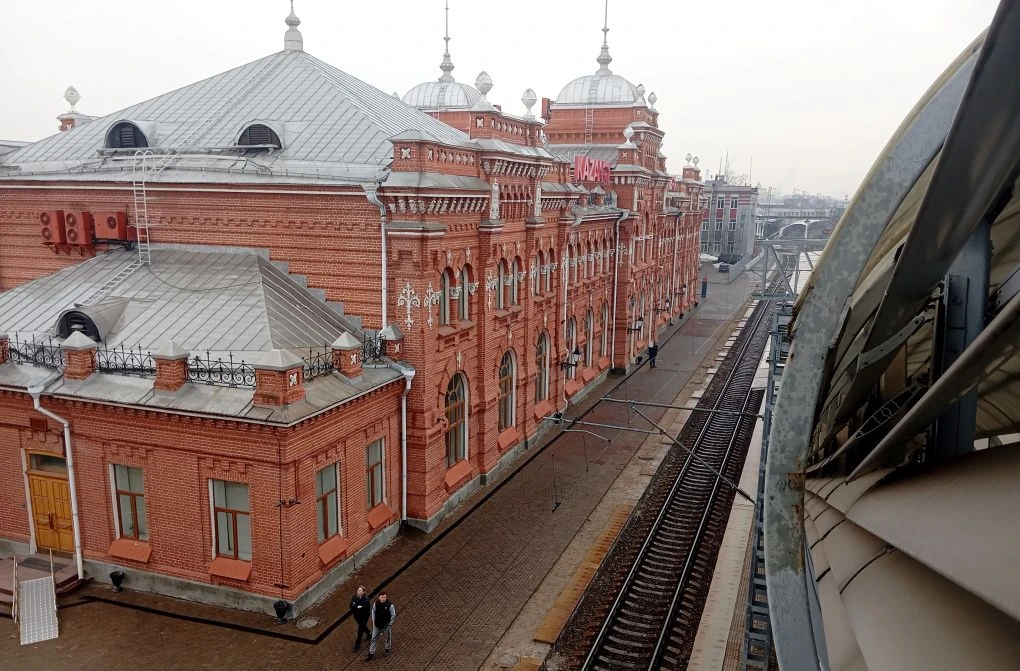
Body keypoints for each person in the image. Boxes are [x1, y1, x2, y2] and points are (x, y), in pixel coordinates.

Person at [366, 592, 396, 661]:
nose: (383, 598)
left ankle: (387, 648)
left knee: (388, 637)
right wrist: (373, 621)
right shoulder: (375, 604)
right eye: (382, 597)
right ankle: (371, 653)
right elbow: (373, 612)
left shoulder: (390, 605)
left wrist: (390, 624)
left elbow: (393, 615)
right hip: (377, 625)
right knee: (373, 639)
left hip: (386, 625)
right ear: (379, 597)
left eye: (385, 597)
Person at [348, 585, 371, 652]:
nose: (358, 591)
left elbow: (364, 607)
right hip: (357, 616)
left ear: (363, 592)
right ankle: (369, 633)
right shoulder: (354, 597)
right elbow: (351, 605)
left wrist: (356, 606)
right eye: (358, 590)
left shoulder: (366, 599)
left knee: (360, 630)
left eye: (360, 590)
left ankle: (357, 644)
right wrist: (357, 606)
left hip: (364, 616)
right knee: (363, 627)